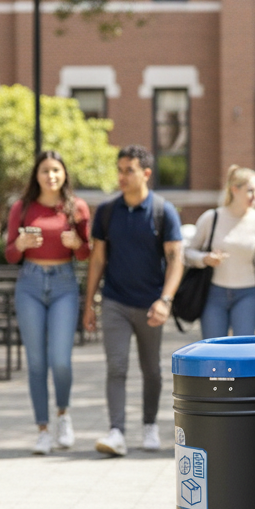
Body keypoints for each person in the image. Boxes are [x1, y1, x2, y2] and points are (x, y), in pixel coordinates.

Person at [83, 145, 184, 457]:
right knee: (116, 366)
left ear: (146, 173)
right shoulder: (107, 211)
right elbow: (97, 259)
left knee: (151, 369)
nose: (122, 176)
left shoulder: (163, 211)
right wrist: (89, 303)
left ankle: (150, 424)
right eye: (120, 169)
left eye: (129, 170)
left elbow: (176, 260)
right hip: (115, 301)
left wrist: (165, 300)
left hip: (151, 304)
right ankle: (116, 431)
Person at [5, 151, 91, 455]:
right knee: (36, 362)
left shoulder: (76, 207)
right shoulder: (22, 207)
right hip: (29, 283)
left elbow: (87, 253)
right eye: (45, 170)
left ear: (64, 174)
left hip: (64, 284)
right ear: (36, 175)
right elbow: (9, 255)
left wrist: (77, 245)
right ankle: (42, 429)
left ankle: (63, 415)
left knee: (60, 360)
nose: (51, 176)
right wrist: (20, 244)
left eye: (56, 170)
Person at [185, 165, 255, 339]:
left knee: (243, 350)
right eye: (250, 190)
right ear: (235, 190)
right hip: (214, 294)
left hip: (247, 295)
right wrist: (205, 259)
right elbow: (188, 252)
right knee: (214, 350)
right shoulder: (211, 217)